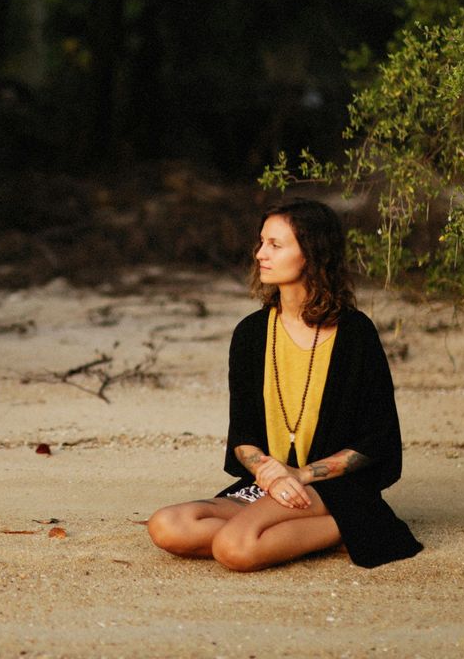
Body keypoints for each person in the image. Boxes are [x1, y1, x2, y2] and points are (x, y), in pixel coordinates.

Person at [147, 198, 422, 570]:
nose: (261, 253)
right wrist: (268, 471)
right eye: (261, 243)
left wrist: (301, 474)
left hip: (332, 489)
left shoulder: (355, 334)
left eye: (276, 245)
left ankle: (348, 525)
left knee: (234, 549)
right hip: (271, 482)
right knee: (167, 526)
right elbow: (243, 434)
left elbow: (377, 439)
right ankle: (332, 529)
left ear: (311, 254)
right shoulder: (251, 334)